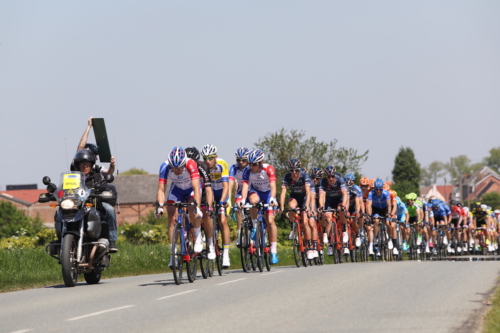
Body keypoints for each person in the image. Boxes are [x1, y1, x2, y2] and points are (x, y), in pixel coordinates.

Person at [155, 147, 203, 268]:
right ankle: (173, 255)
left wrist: (197, 207)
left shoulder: (191, 164)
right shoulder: (164, 167)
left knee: (193, 210)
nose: (176, 171)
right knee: (171, 216)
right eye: (174, 168)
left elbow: (196, 188)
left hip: (191, 189)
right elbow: (161, 190)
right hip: (177, 189)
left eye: (180, 168)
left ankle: (197, 236)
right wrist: (159, 206)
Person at [73, 149, 119, 253]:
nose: (85, 166)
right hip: (77, 205)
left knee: (110, 210)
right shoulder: (73, 178)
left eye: (87, 163)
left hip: (95, 203)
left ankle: (112, 240)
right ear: (77, 165)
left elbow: (106, 189)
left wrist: (102, 194)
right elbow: (64, 189)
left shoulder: (97, 176)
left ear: (92, 164)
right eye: (82, 163)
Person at [239, 149, 280, 264]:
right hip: (256, 192)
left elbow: (273, 186)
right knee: (252, 201)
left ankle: (274, 250)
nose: (251, 166)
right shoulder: (247, 170)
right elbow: (245, 187)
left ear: (261, 163)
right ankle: (254, 224)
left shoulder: (268, 169)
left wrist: (272, 198)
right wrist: (242, 200)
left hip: (267, 193)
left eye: (254, 164)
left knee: (271, 221)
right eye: (250, 163)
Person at [200, 144, 232, 268]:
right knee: (206, 213)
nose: (207, 161)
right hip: (210, 193)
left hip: (221, 193)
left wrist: (222, 201)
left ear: (216, 157)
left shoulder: (222, 164)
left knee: (223, 221)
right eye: (205, 158)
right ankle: (207, 234)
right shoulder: (202, 166)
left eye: (210, 158)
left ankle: (226, 255)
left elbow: (226, 187)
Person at [279, 159, 316, 259]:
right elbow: (283, 193)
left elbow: (308, 193)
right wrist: (281, 206)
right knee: (291, 207)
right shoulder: (287, 177)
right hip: (294, 196)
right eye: (292, 170)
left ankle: (309, 247)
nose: (294, 173)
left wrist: (307, 205)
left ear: (299, 170)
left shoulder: (304, 176)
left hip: (304, 197)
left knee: (305, 221)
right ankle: (294, 226)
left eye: (296, 170)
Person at [185, 147, 215, 259]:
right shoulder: (182, 168)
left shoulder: (203, 167)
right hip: (189, 192)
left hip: (201, 192)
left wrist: (210, 207)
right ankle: (186, 235)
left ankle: (210, 244)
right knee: (183, 211)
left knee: (206, 215)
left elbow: (208, 190)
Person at [318, 166, 349, 255]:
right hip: (330, 201)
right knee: (328, 217)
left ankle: (343, 229)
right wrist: (321, 206)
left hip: (339, 199)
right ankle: (330, 244)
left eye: (332, 176)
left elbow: (345, 194)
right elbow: (322, 195)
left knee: (341, 210)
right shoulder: (323, 182)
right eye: (328, 177)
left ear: (335, 175)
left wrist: (343, 204)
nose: (331, 179)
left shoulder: (340, 180)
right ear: (326, 177)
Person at [229, 147, 250, 246]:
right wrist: (228, 199)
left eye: (243, 160)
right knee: (238, 207)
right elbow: (230, 183)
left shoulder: (251, 167)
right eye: (238, 160)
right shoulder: (234, 168)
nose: (241, 162)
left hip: (253, 190)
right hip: (241, 191)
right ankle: (240, 234)